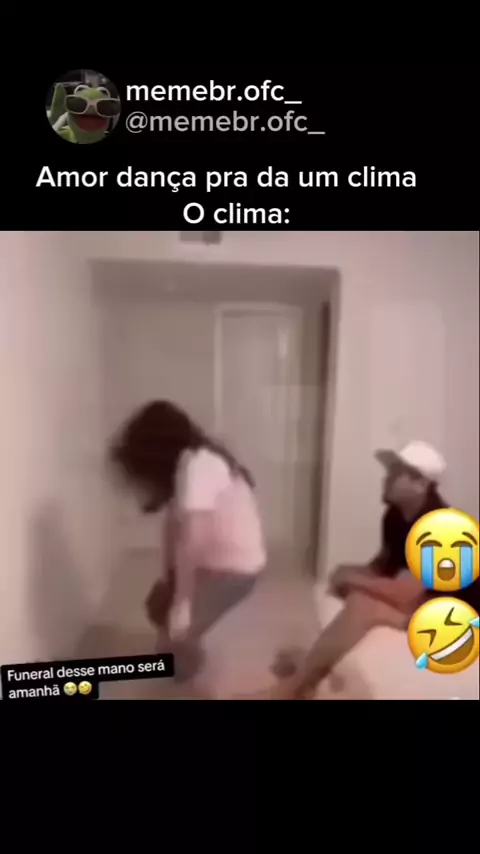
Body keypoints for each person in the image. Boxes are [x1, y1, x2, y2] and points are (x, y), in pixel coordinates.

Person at [250, 440, 479, 700]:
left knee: (363, 605)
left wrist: (354, 580)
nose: (386, 479)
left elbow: (405, 594)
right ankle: (312, 669)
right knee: (350, 584)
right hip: (428, 600)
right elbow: (380, 567)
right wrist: (348, 574)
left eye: (396, 473)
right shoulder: (395, 515)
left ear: (421, 485)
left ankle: (293, 688)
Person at [109, 400, 266, 681]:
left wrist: (183, 603)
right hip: (214, 563)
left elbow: (189, 542)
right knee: (158, 605)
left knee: (177, 646)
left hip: (235, 569)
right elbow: (173, 529)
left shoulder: (199, 466)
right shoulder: (186, 467)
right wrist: (167, 581)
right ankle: (183, 642)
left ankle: (186, 664)